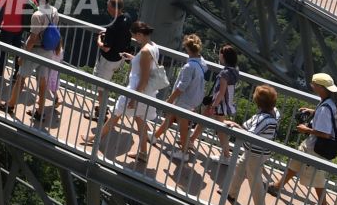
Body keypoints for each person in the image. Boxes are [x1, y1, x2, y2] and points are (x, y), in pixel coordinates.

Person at [272, 71, 337, 205]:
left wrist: (306, 129)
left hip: (317, 148)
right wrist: (312, 111)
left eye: (313, 84)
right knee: (295, 162)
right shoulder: (333, 101)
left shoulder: (324, 108)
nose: (312, 86)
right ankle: (277, 187)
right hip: (311, 144)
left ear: (321, 88)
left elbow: (326, 133)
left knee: (316, 178)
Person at [95, 23, 160, 158]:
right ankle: (143, 152)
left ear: (140, 34)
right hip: (144, 92)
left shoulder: (146, 51)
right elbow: (145, 67)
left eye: (135, 36)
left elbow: (144, 78)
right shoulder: (153, 47)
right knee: (139, 120)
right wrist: (132, 58)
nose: (134, 39)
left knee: (116, 113)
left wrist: (133, 99)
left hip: (136, 90)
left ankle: (95, 140)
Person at [151, 34, 208, 164]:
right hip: (193, 98)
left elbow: (182, 87)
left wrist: (170, 100)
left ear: (187, 49)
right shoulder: (201, 62)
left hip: (185, 100)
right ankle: (155, 136)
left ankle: (184, 153)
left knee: (183, 127)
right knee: (171, 117)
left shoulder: (189, 67)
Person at [227, 85, 282, 205]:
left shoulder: (262, 119)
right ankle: (231, 193)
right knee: (240, 166)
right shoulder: (275, 112)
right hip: (261, 150)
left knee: (254, 179)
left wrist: (236, 127)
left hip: (255, 152)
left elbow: (249, 134)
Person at [202, 43, 242, 164]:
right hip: (225, 104)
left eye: (220, 53)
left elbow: (221, 92)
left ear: (224, 56)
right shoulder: (234, 71)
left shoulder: (224, 73)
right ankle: (190, 140)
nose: (219, 55)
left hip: (219, 104)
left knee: (220, 130)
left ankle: (226, 156)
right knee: (204, 120)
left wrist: (213, 106)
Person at [94, 0, 134, 98]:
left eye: (108, 6)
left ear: (113, 8)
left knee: (101, 87)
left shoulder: (112, 26)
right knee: (106, 84)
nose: (107, 8)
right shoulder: (128, 18)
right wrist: (107, 33)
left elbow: (106, 48)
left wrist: (99, 39)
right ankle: (101, 108)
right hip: (119, 58)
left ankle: (101, 112)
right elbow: (122, 34)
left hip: (108, 60)